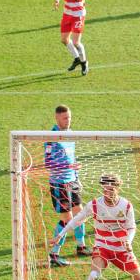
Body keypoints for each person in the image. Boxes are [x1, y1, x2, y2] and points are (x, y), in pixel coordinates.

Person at [45, 104, 92, 267]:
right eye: (65, 118)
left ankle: (81, 246)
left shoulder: (71, 134)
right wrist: (68, 168)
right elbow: (48, 163)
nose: (68, 120)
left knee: (81, 213)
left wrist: (75, 173)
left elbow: (70, 158)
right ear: (57, 118)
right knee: (67, 219)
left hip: (72, 181)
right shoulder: (51, 137)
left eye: (70, 117)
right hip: (59, 184)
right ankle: (54, 254)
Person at [54, 0, 96, 76]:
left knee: (76, 42)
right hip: (67, 12)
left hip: (78, 14)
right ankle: (77, 58)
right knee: (64, 40)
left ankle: (84, 63)